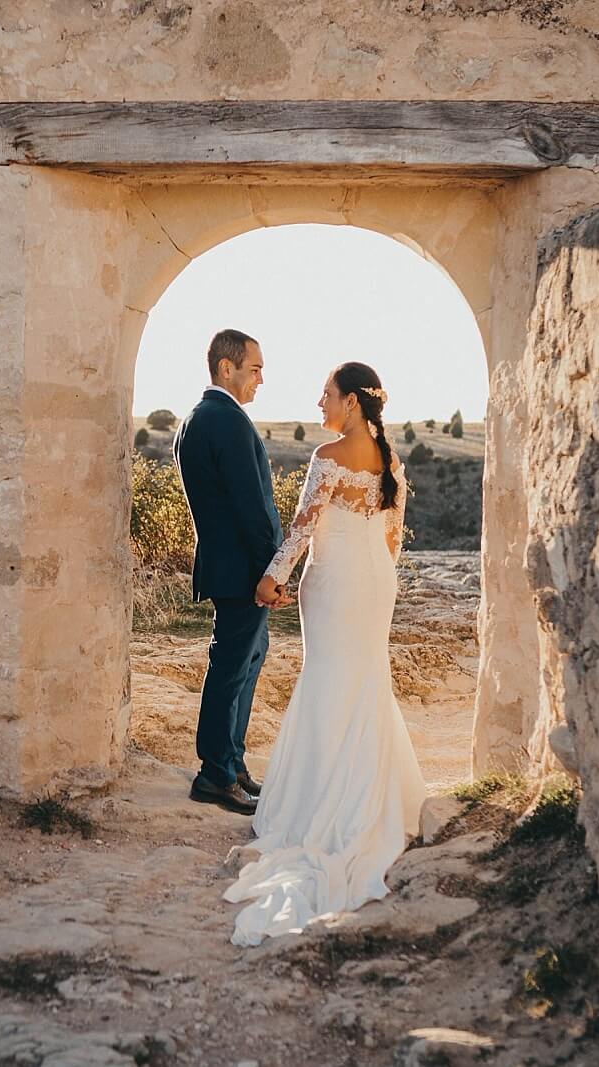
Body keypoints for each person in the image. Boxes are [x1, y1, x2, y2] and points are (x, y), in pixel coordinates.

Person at [222, 361, 428, 947]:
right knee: (364, 678)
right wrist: (376, 579)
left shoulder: (328, 458)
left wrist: (271, 578)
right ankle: (370, 796)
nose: (320, 403)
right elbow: (392, 536)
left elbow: (304, 527)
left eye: (327, 395)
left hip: (335, 579)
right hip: (374, 582)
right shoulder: (391, 460)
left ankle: (320, 803)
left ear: (353, 404)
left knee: (329, 681)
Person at [173, 329, 292, 816]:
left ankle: (232, 764)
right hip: (243, 569)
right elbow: (253, 507)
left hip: (226, 565)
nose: (262, 378)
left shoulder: (195, 420)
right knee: (230, 669)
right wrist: (274, 569)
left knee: (244, 662)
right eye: (255, 368)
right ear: (228, 368)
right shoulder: (229, 422)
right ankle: (214, 775)